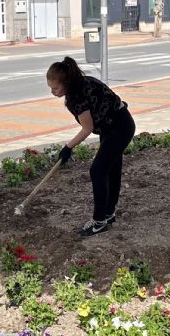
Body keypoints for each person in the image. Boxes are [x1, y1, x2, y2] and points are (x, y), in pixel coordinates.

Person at [46, 56, 135, 237]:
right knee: (111, 169)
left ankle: (99, 221)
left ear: (66, 82)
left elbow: (87, 128)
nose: (52, 92)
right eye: (50, 88)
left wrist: (68, 148)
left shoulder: (77, 96)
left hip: (119, 127)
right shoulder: (81, 83)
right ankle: (108, 214)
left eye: (55, 88)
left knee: (98, 171)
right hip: (113, 125)